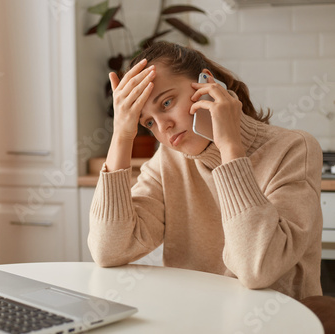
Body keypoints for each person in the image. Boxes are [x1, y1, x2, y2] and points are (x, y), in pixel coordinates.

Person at [88, 41, 323, 300]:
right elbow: (109, 250)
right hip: (196, 318)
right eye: (149, 122)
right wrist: (122, 134)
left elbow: (258, 269)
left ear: (207, 85)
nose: (163, 126)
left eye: (166, 103)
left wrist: (230, 147)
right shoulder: (168, 159)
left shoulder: (294, 149)